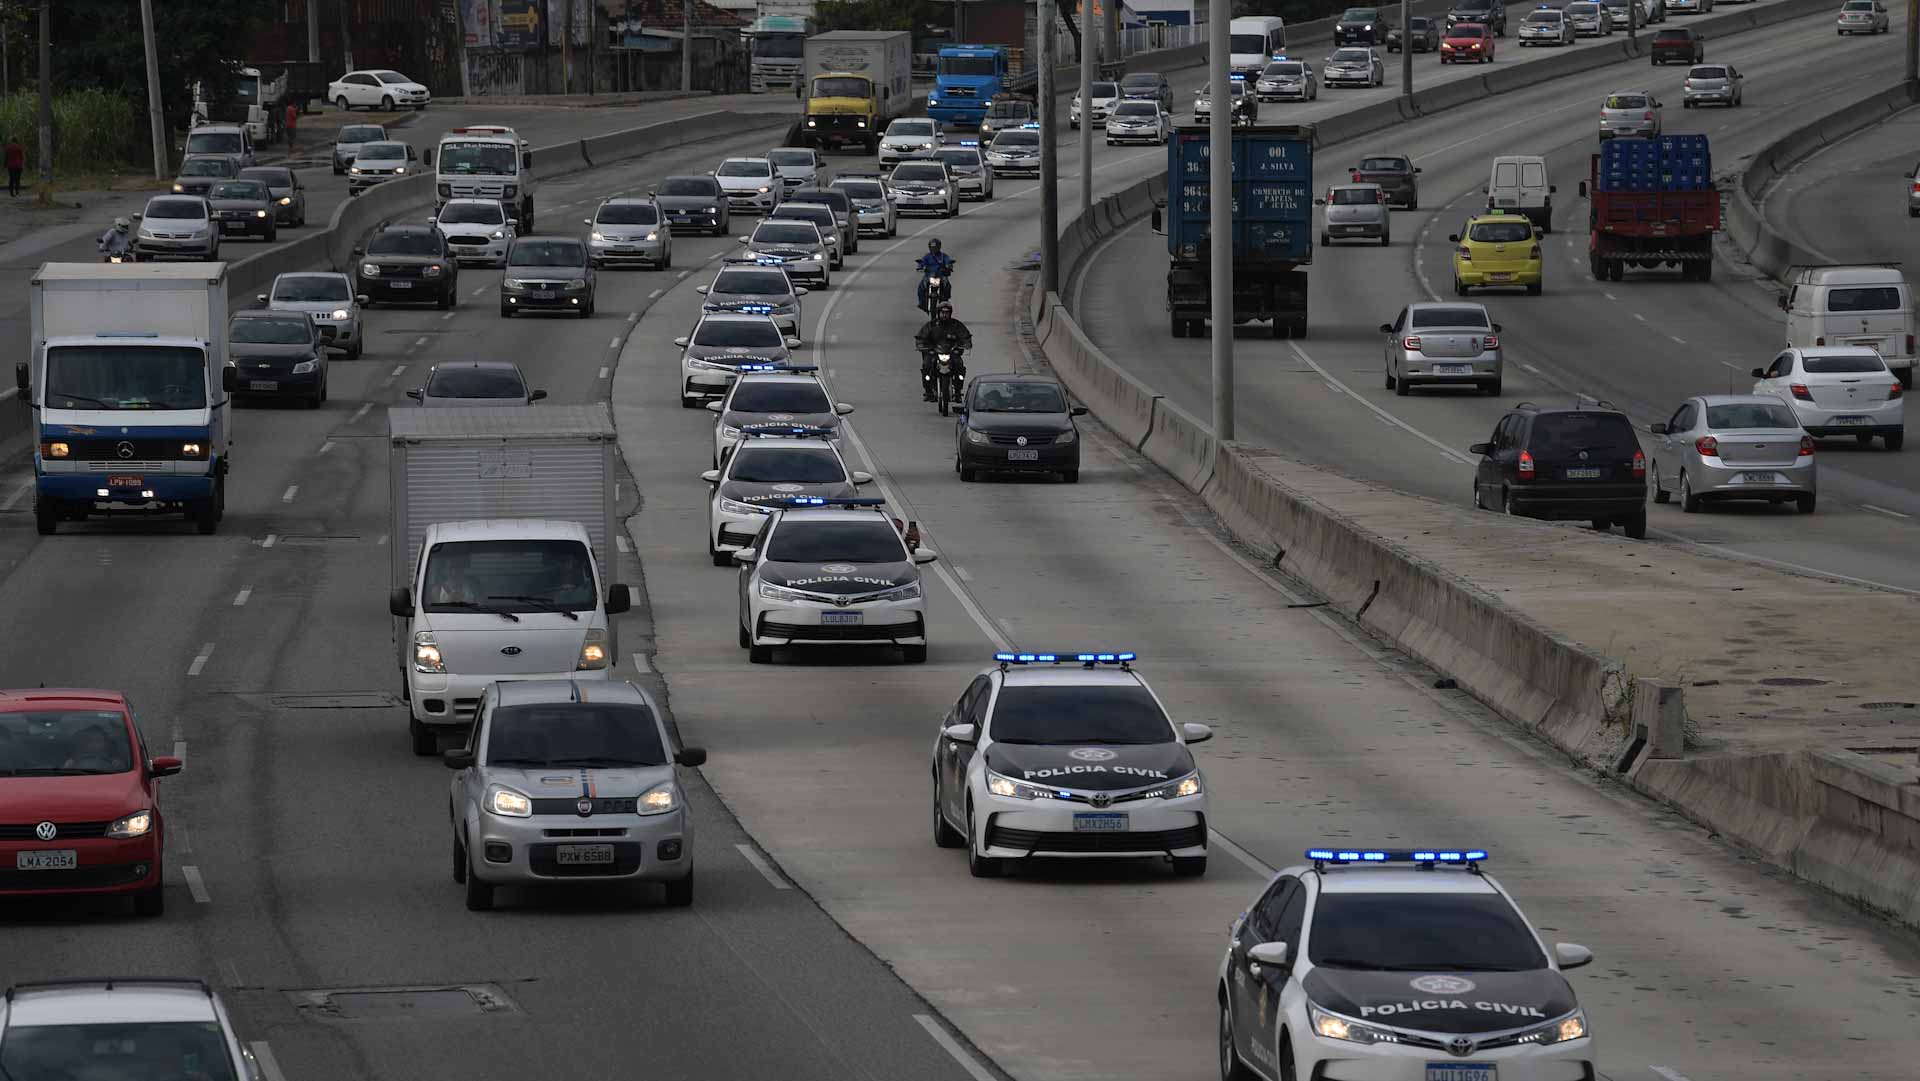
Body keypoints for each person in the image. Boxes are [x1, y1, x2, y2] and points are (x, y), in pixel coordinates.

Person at [913, 301, 972, 402]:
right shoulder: (931, 325)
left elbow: (965, 336)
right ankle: (928, 392)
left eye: (946, 312)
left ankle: (957, 392)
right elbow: (921, 337)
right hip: (935, 352)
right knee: (926, 365)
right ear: (938, 313)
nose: (944, 315)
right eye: (942, 312)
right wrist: (922, 346)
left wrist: (964, 345)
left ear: (950, 313)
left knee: (959, 366)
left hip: (952, 352)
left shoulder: (956, 325)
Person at [914, 238, 955, 312]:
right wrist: (920, 267)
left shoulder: (943, 256)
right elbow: (922, 262)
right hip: (929, 276)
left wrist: (949, 266)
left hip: (941, 276)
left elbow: (948, 261)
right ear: (929, 247)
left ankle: (946, 300)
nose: (934, 249)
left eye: (935, 247)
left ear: (939, 247)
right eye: (932, 247)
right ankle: (922, 302)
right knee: (920, 287)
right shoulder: (927, 256)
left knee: (948, 285)